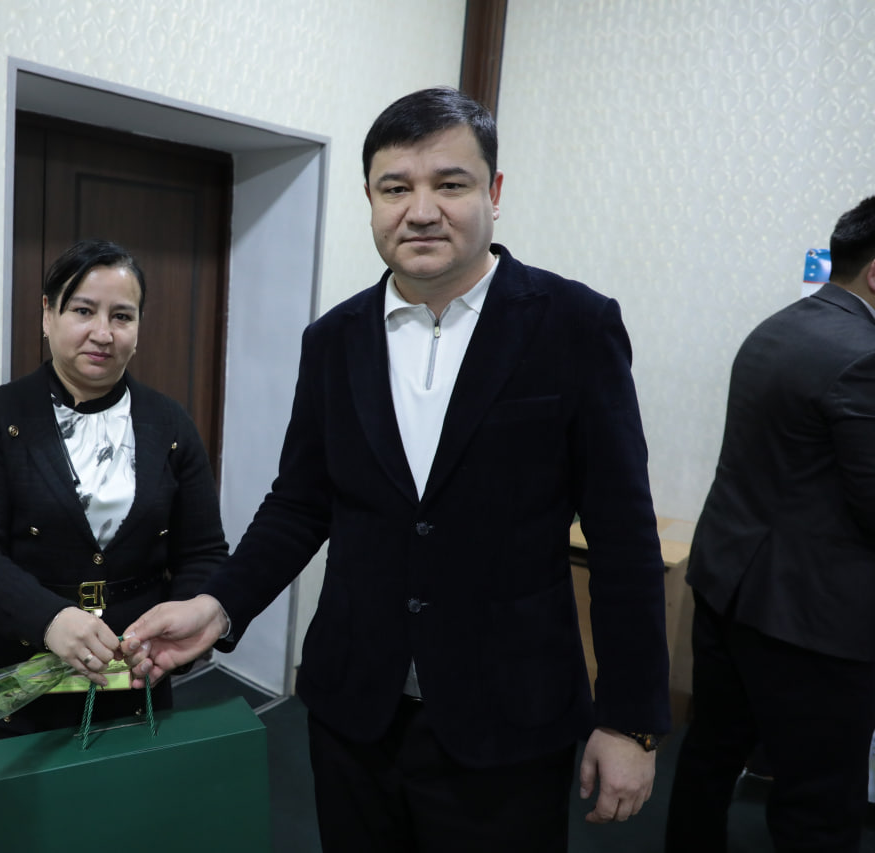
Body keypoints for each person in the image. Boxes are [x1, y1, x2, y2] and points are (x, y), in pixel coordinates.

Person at [121, 86, 671, 853]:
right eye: (395, 188)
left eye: (450, 184)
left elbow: (622, 535)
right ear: (370, 200)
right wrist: (217, 607)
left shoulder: (574, 324)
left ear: (494, 192)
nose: (421, 211)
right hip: (355, 709)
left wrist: (630, 718)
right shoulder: (333, 339)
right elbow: (300, 502)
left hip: (508, 714)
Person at [0, 239, 228, 852]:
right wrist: (50, 619)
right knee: (13, 833)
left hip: (133, 680)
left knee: (122, 828)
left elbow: (204, 552)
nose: (103, 332)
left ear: (139, 328)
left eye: (122, 316)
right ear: (47, 315)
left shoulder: (170, 424)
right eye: (83, 310)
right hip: (12, 678)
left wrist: (179, 632)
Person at [665, 196, 875, 853]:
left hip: (729, 587)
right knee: (819, 802)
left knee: (709, 755)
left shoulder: (779, 327)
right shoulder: (864, 355)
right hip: (812, 620)